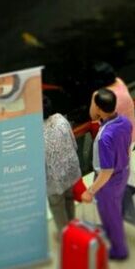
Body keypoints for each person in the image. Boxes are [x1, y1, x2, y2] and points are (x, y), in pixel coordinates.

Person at [82, 88, 132, 260]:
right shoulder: (125, 122)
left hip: (108, 182)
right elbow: (127, 149)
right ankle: (113, 235)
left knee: (111, 216)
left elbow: (106, 171)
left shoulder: (104, 137)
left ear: (98, 109)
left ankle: (119, 251)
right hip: (123, 172)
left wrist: (90, 191)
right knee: (114, 209)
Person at [43, 92, 84, 233]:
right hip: (69, 170)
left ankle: (66, 235)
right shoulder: (60, 118)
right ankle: (73, 227)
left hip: (53, 180)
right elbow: (74, 143)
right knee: (69, 199)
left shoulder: (35, 132)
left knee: (57, 206)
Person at [90, 61, 135, 147]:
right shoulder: (119, 81)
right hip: (131, 133)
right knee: (127, 158)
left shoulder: (99, 95)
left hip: (114, 139)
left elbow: (93, 116)